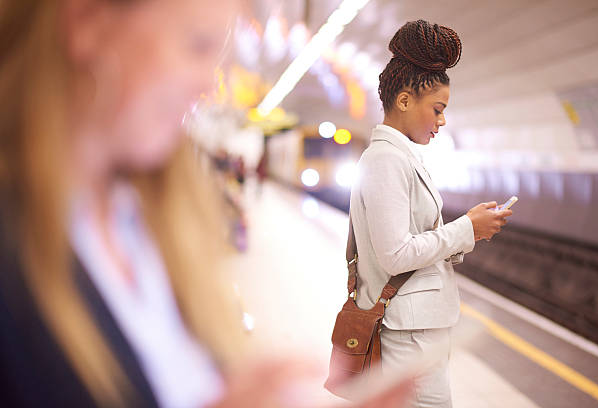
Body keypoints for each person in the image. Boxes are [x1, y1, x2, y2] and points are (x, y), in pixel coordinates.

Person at [0, 1, 416, 407]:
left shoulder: (149, 223)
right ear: (88, 22)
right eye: (197, 45)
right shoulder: (17, 260)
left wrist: (240, 390)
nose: (208, 85)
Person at [348, 20, 513, 407]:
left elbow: (411, 239)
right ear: (404, 101)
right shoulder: (387, 160)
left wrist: (471, 230)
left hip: (418, 328)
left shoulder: (399, 156)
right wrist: (465, 229)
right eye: (437, 109)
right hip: (409, 332)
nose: (442, 121)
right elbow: (396, 254)